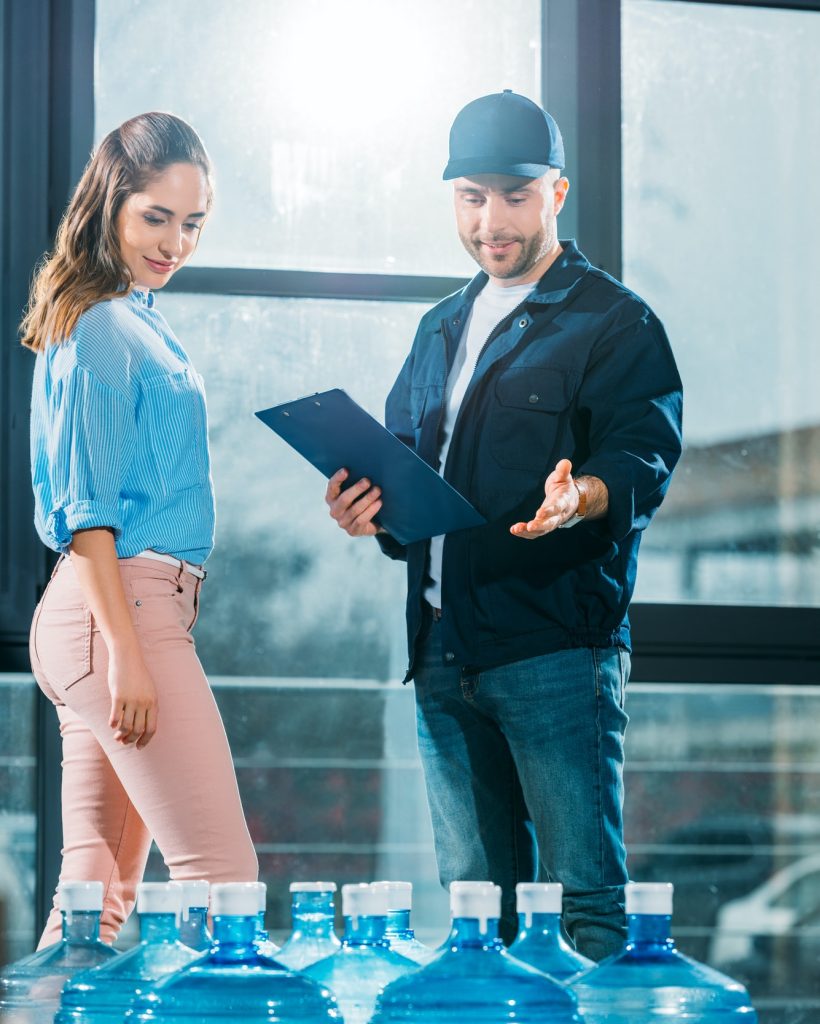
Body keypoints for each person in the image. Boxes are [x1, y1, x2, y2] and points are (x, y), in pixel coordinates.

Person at [325, 90, 683, 960]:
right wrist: (363, 511)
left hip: (556, 650)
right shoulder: (438, 327)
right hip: (444, 657)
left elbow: (643, 454)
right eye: (471, 197)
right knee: (477, 922)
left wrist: (581, 497)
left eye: (514, 196)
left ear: (556, 193)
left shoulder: (614, 320)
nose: (491, 220)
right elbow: (405, 472)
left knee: (586, 912)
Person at [23, 112, 258, 947]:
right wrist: (127, 652)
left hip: (100, 614)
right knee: (223, 881)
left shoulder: (131, 314)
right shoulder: (100, 328)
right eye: (155, 216)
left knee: (93, 900)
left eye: (192, 222)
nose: (176, 241)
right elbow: (88, 512)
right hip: (119, 608)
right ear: (110, 205)